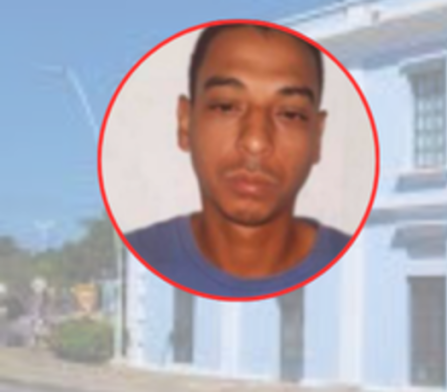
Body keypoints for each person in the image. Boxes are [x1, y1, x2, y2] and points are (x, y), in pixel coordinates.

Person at [125, 23, 351, 298]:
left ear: (317, 137)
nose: (255, 142)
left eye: (290, 114)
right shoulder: (139, 254)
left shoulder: (350, 260)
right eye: (226, 107)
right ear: (185, 124)